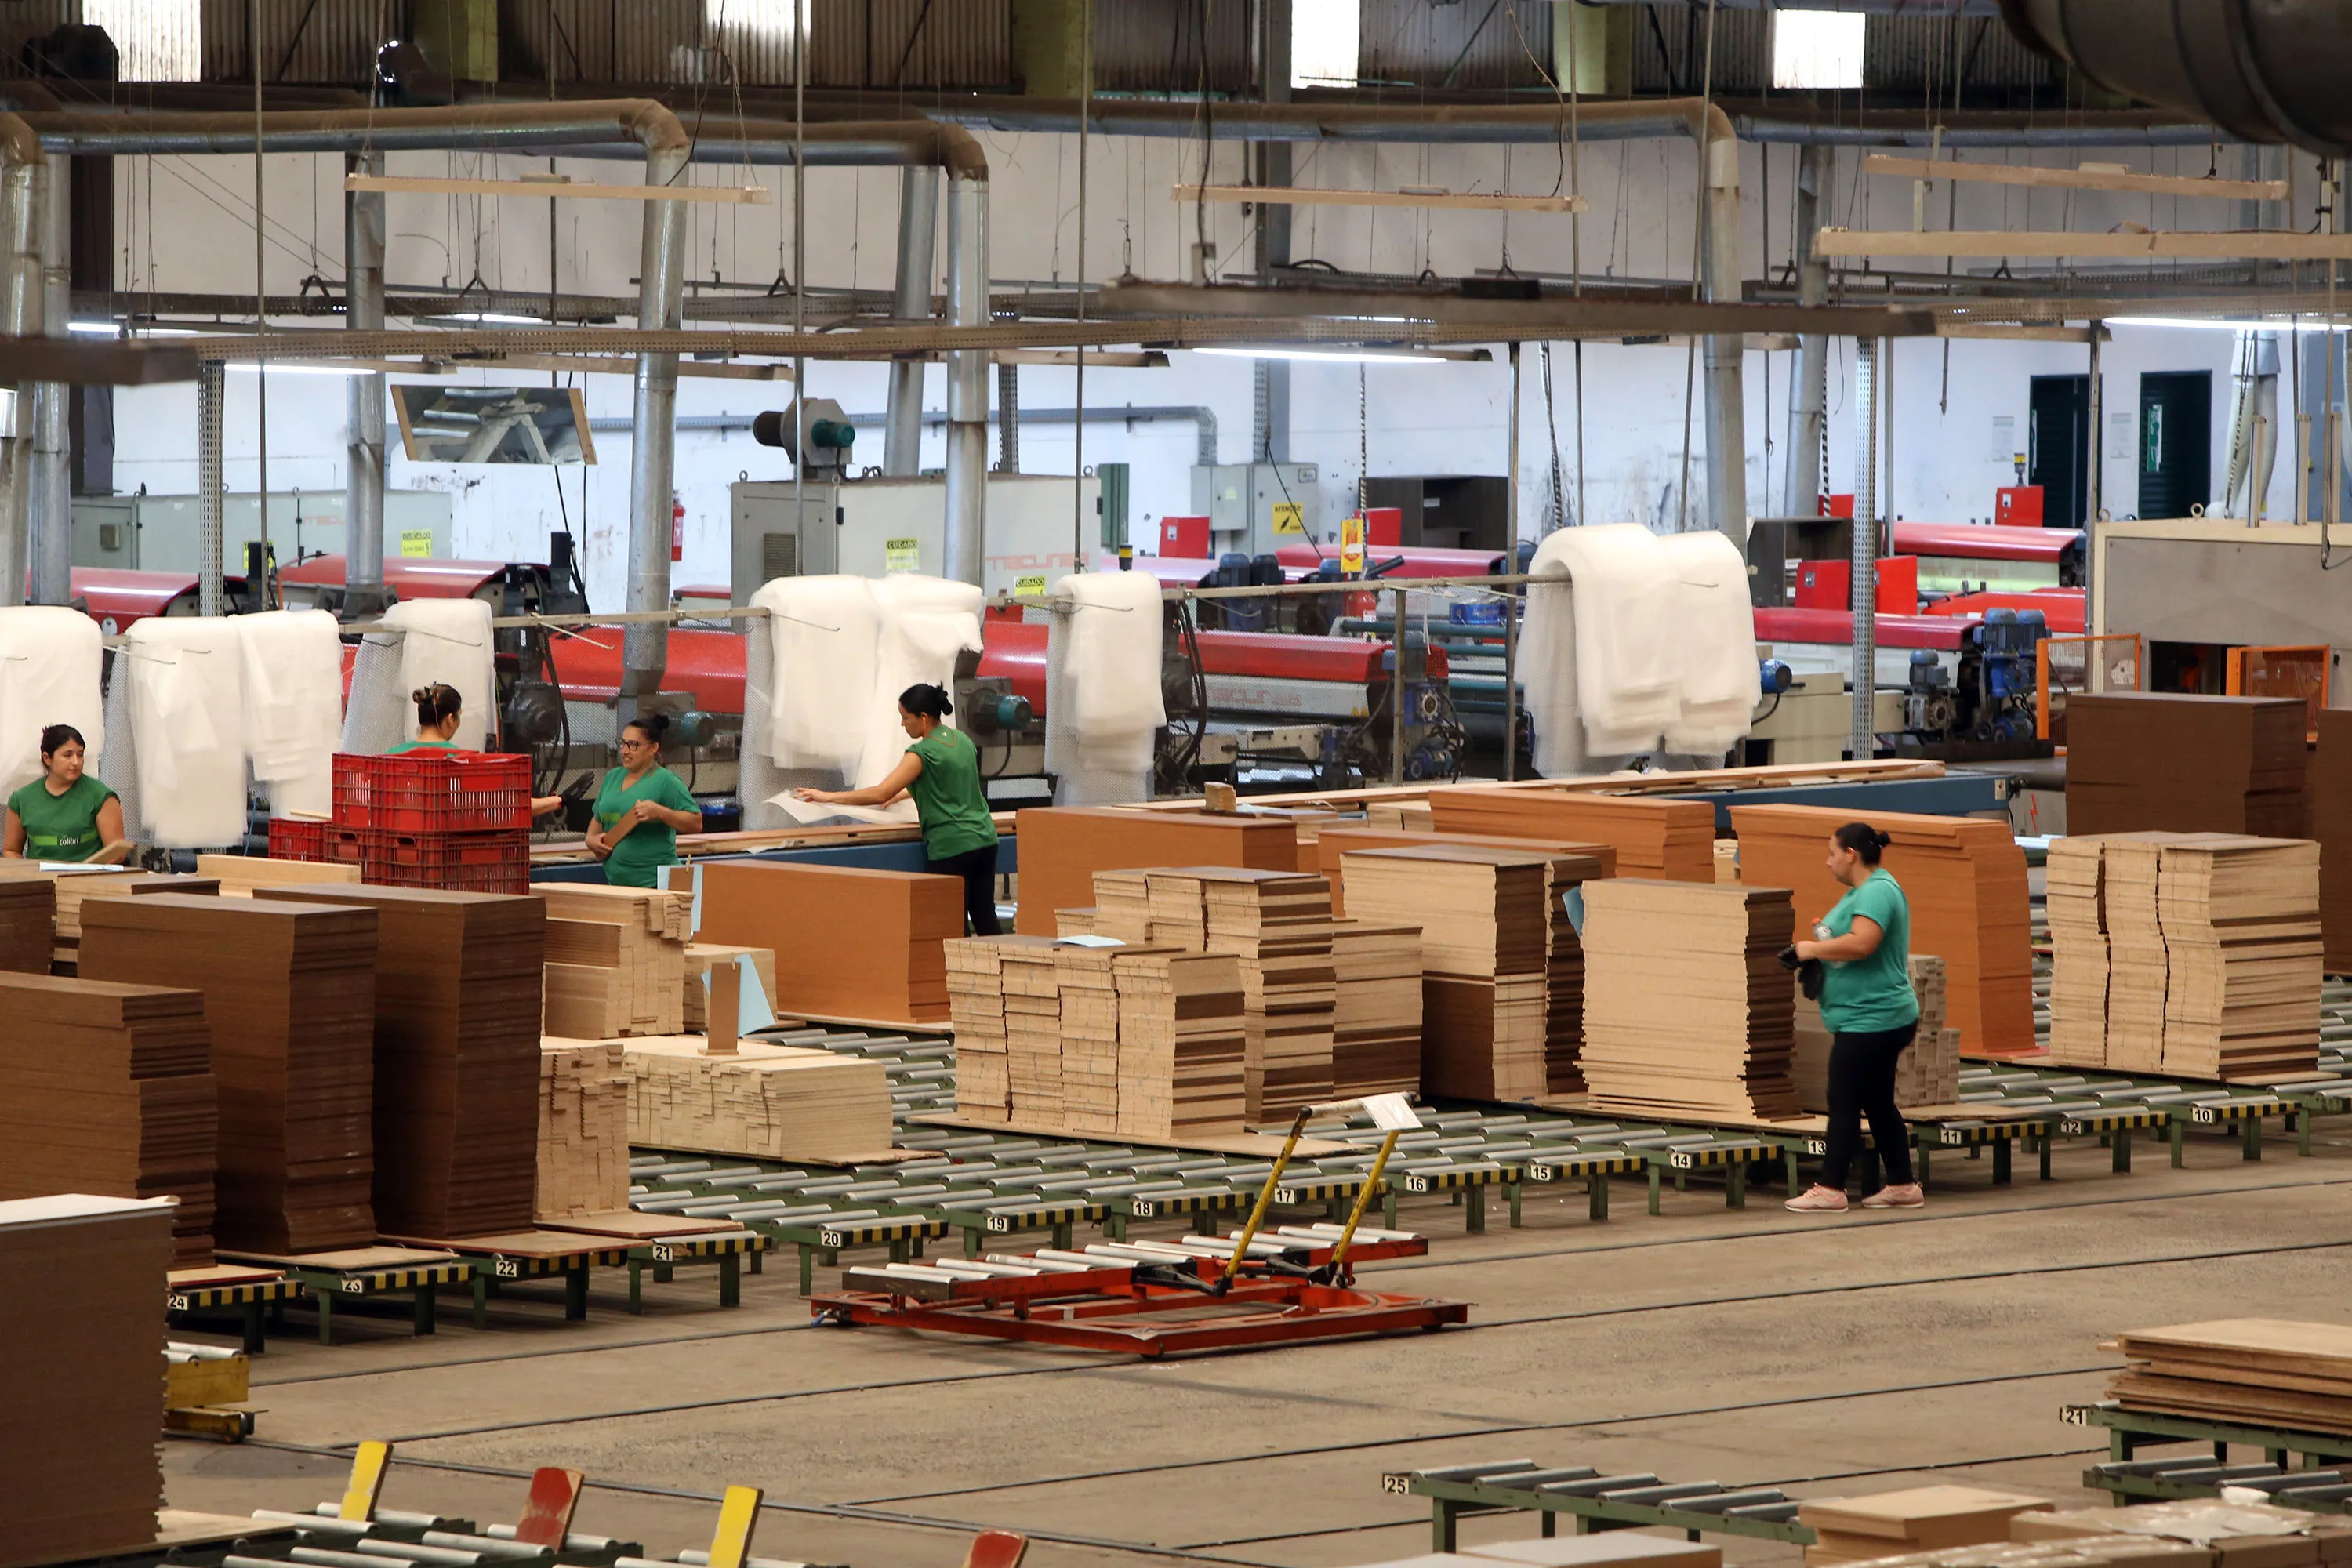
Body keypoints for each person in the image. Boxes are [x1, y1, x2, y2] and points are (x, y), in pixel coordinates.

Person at [1785, 822, 1923, 1214]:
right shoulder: (1864, 891)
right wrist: (1821, 943)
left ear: (1851, 854)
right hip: (1873, 1016)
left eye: (1832, 853)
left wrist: (1812, 950)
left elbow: (1864, 943)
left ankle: (1831, 1188)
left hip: (1873, 1018)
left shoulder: (1878, 891)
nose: (1827, 862)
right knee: (1877, 1100)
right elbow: (1850, 937)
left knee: (1843, 1098)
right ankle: (1902, 1184)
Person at [793, 682, 1001, 936]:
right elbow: (948, 780)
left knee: (952, 924)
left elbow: (881, 792)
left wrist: (826, 797)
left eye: (905, 718)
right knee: (985, 916)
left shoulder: (921, 753)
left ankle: (955, 975)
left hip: (953, 847)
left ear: (923, 718)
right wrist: (906, 793)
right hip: (985, 840)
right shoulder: (963, 741)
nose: (903, 724)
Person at [390, 682, 564, 818]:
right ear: (451, 719)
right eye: (459, 716)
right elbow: (504, 805)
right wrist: (555, 801)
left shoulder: (392, 757)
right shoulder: (462, 761)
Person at [587, 713, 703, 888]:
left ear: (653, 748)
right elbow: (599, 818)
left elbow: (696, 823)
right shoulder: (612, 777)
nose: (625, 751)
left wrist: (660, 812)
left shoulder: (666, 781)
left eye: (633, 745)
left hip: (656, 885)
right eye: (623, 743)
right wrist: (590, 839)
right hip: (618, 886)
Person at [3, 724, 129, 864]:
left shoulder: (101, 796)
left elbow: (117, 853)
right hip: (41, 882)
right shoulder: (21, 800)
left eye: (80, 755)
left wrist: (83, 876)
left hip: (89, 881)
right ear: (47, 758)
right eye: (67, 755)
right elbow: (11, 851)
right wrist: (31, 875)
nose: (76, 762)